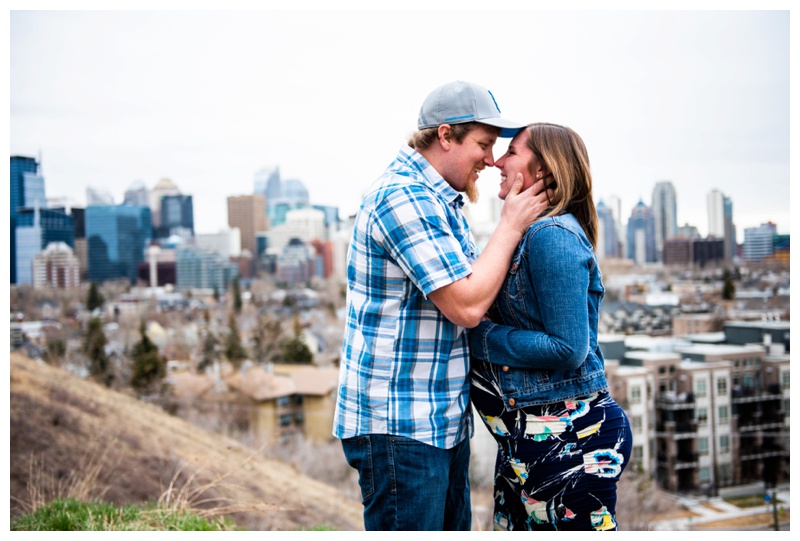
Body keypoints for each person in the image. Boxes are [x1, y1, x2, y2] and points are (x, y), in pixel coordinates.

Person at [333, 81, 551, 531]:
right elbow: (467, 307)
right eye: (484, 144)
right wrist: (510, 225)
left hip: (436, 422)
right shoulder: (404, 197)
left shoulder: (439, 200)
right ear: (446, 135)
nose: (491, 160)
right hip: (399, 426)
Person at [468, 122, 633, 531]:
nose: (497, 162)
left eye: (512, 153)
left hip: (569, 437)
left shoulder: (551, 235)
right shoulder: (529, 235)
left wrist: (479, 336)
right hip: (534, 437)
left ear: (543, 171)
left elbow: (567, 347)